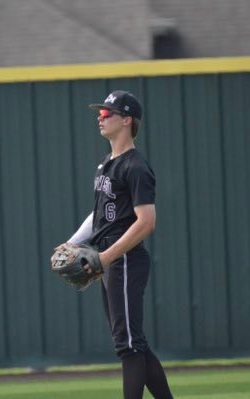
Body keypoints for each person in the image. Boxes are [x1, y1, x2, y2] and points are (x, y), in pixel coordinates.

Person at [61, 90, 173, 399]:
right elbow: (99, 216)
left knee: (128, 344)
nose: (100, 116)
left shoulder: (135, 166)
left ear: (127, 120)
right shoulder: (105, 165)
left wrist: (108, 256)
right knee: (132, 342)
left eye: (107, 113)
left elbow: (146, 221)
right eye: (101, 112)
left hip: (124, 258)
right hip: (111, 259)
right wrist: (71, 243)